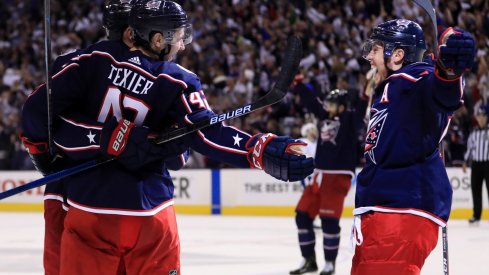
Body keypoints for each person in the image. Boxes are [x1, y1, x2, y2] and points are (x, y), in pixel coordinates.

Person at [21, 1, 314, 274]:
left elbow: (37, 115)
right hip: (151, 209)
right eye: (177, 36)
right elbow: (205, 135)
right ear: (155, 39)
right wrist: (256, 149)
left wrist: (45, 155)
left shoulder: (87, 61)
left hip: (88, 206)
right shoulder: (178, 79)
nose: (182, 45)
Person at [20, 1, 184, 274]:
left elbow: (36, 114)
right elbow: (179, 155)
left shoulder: (81, 61)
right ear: (133, 32)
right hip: (140, 201)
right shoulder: (165, 76)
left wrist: (44, 158)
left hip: (73, 192)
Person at [351, 19, 476, 274]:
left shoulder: (416, 77)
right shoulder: (389, 87)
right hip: (386, 209)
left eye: (375, 49)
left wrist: (448, 71)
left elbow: (443, 93)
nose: (370, 57)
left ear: (396, 55)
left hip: (400, 211)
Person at [289, 89, 366, 275]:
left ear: (341, 106)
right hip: (319, 175)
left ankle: (330, 263)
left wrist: (365, 95)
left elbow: (361, 109)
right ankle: (309, 260)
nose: (327, 106)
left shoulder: (349, 119)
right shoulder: (324, 117)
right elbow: (313, 103)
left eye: (332, 103)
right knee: (302, 216)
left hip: (337, 176)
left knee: (329, 221)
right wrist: (299, 82)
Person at [463, 102, 489, 225]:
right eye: (479, 116)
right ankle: (476, 216)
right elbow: (470, 148)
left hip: (488, 163)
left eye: (483, 116)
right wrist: (465, 161)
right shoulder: (474, 133)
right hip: (476, 164)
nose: (481, 118)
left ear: (486, 117)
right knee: (475, 190)